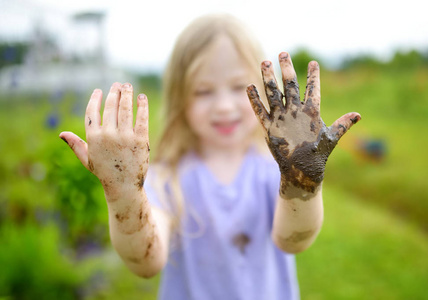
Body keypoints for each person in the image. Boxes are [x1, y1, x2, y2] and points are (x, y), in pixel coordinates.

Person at [59, 14, 361, 300]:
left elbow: (294, 240)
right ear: (180, 98)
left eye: (238, 88)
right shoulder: (166, 177)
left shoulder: (273, 170)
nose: (224, 106)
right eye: (204, 91)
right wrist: (124, 195)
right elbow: (146, 262)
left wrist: (301, 178)